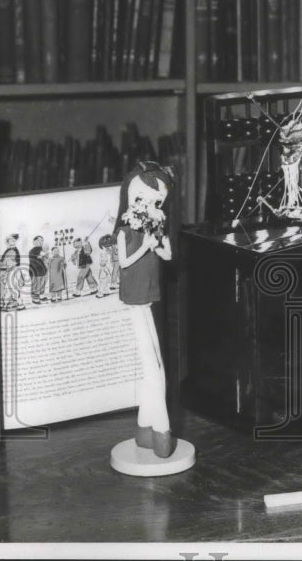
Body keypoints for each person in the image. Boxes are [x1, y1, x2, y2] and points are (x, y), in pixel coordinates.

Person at [114, 161, 176, 459]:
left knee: (156, 365)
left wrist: (159, 242)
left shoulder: (156, 228)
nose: (147, 206)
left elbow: (168, 255)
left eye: (156, 201)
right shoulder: (125, 232)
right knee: (154, 370)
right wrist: (146, 245)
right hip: (133, 299)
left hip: (149, 297)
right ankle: (161, 430)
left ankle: (144, 427)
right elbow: (124, 263)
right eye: (141, 199)